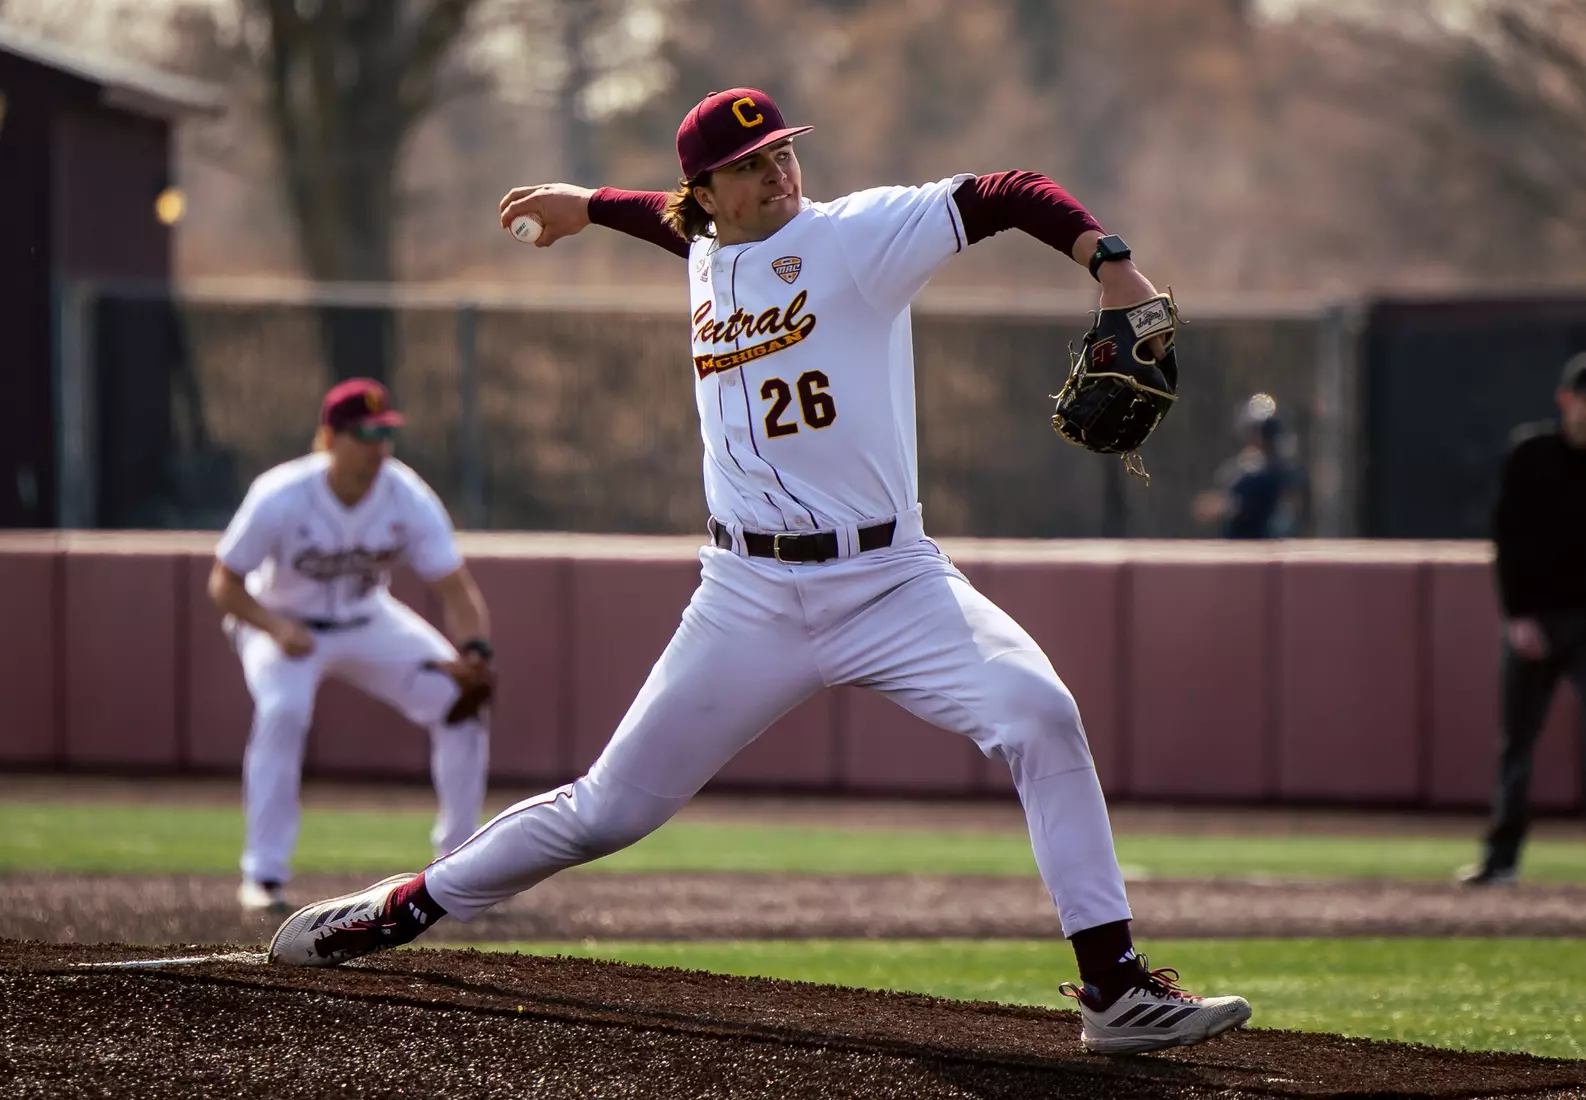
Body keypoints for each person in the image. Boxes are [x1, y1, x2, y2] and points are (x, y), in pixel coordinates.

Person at [268, 87, 1251, 1056]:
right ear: (708, 190)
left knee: (1040, 713)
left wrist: (1112, 267)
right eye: (750, 164)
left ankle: (1115, 988)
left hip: (891, 580)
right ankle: (402, 904)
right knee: (607, 810)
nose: (778, 170)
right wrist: (585, 204)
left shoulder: (857, 236)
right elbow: (667, 225)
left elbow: (1007, 191)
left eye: (783, 150)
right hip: (747, 598)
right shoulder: (703, 248)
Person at [209, 378, 497, 913]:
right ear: (328, 439)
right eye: (362, 434)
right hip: (281, 623)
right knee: (284, 711)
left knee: (463, 705)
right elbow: (223, 584)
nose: (376, 446)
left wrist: (476, 652)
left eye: (384, 433)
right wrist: (275, 628)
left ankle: (459, 867)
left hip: (369, 621)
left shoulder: (405, 494)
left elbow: (457, 589)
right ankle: (264, 875)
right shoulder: (282, 494)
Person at [1459, 352, 1586, 886]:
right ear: (1567, 400)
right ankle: (1501, 858)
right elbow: (1507, 539)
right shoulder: (1532, 454)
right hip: (1535, 619)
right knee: (1517, 743)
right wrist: (1517, 616)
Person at [1191, 393, 1306, 539]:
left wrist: (1220, 506)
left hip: (1261, 550)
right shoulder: (1245, 470)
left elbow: (1241, 505)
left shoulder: (1270, 474)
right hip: (1247, 549)